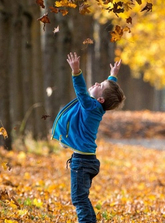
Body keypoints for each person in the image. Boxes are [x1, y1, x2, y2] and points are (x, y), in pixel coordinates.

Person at [51, 52, 125, 223]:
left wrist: (76, 71)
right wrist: (112, 76)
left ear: (99, 99)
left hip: (82, 162)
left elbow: (82, 92)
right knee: (82, 199)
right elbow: (107, 91)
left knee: (79, 199)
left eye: (100, 85)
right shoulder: (97, 107)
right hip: (88, 160)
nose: (97, 83)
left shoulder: (90, 106)